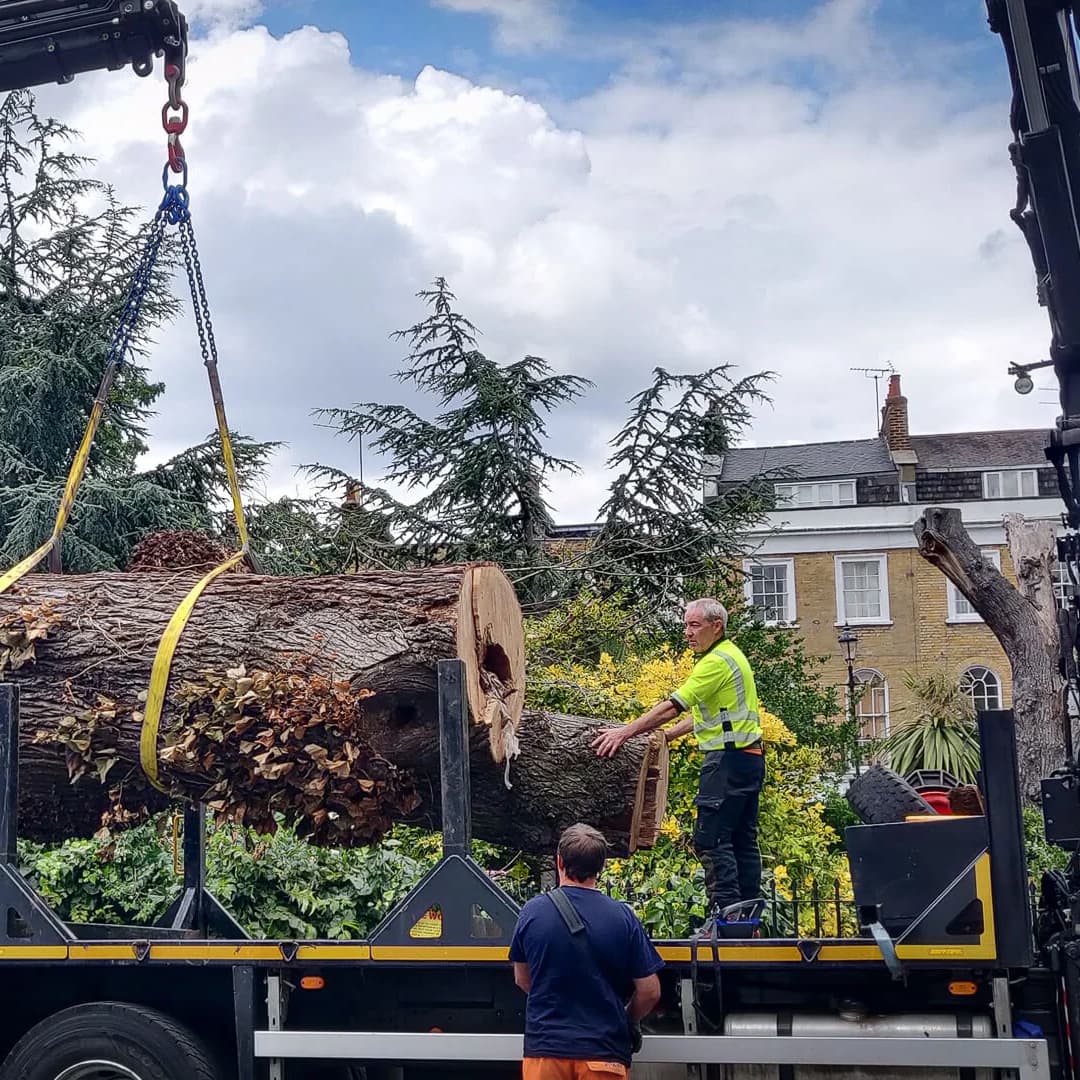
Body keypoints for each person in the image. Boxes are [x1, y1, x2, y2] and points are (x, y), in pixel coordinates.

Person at [592, 598, 764, 925]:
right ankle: (749, 920)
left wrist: (623, 733)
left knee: (711, 839)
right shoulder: (730, 657)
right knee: (741, 838)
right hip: (748, 758)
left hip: (727, 763)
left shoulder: (715, 662)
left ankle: (726, 920)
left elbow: (673, 706)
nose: (687, 632)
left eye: (694, 625)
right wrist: (667, 738)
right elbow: (708, 717)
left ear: (717, 626)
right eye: (685, 624)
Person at [509, 822, 663, 1080]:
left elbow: (523, 979)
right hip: (602, 1053)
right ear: (600, 867)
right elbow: (650, 991)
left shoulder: (532, 912)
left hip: (546, 1053)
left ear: (559, 861)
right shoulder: (622, 917)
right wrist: (628, 1018)